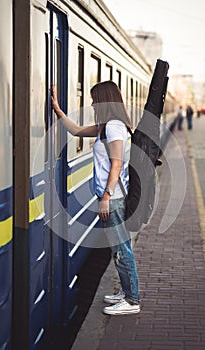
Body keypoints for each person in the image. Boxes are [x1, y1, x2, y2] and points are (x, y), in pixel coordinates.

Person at [51, 81, 140, 315]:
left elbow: (117, 163)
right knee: (117, 247)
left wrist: (106, 196)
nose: (91, 103)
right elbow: (77, 131)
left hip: (114, 197)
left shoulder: (114, 127)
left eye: (94, 99)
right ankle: (126, 291)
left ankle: (132, 300)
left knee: (121, 249)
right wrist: (58, 111)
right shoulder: (105, 126)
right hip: (111, 196)